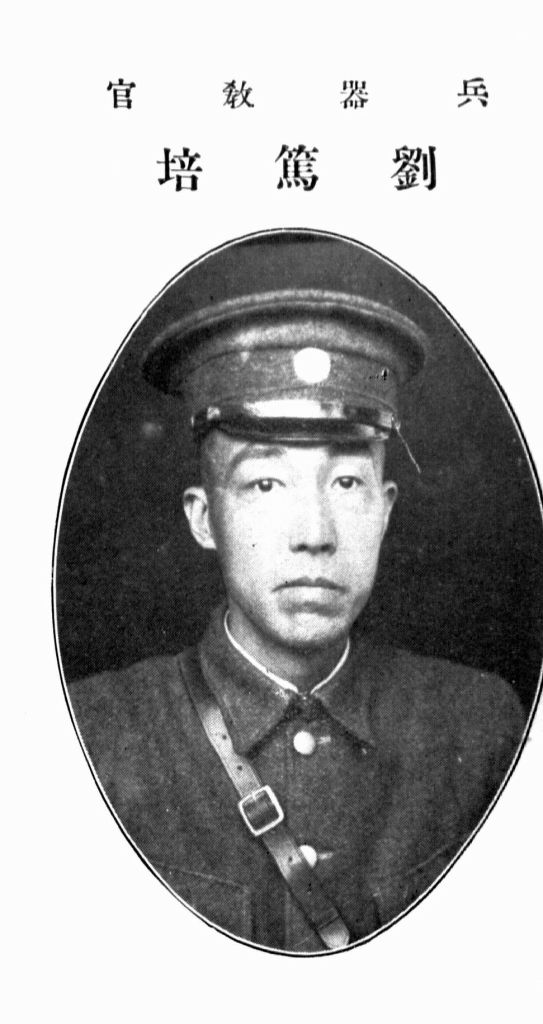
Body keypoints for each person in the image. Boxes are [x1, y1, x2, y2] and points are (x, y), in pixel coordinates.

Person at [68, 285, 526, 953]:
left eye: (346, 483)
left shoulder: (480, 729)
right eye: (265, 484)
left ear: (384, 510)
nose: (314, 534)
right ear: (205, 519)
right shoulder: (98, 739)